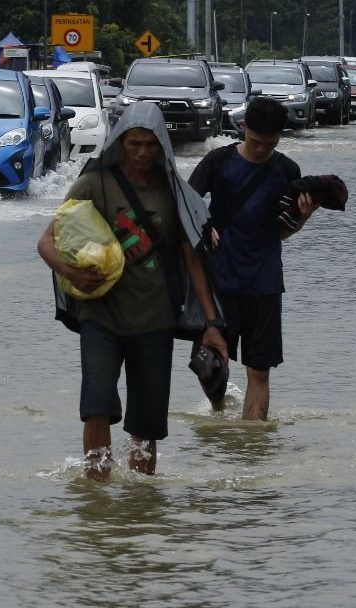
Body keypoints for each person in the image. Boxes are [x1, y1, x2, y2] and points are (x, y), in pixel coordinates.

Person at [37, 102, 227, 479]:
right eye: (134, 144)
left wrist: (211, 322)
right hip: (101, 317)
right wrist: (70, 272)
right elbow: (47, 242)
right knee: (96, 406)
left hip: (155, 320)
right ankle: (97, 493)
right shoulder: (95, 183)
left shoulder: (175, 193)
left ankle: (141, 501)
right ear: (121, 142)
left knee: (147, 422)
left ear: (162, 148)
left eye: (150, 145)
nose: (142, 153)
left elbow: (193, 262)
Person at [187, 97, 318, 421]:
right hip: (220, 282)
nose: (261, 150)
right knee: (211, 363)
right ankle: (217, 412)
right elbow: (187, 205)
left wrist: (303, 218)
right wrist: (205, 226)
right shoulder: (218, 161)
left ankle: (253, 444)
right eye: (256, 142)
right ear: (243, 127)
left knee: (259, 371)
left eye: (269, 144)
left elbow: (281, 232)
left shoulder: (287, 170)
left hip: (265, 283)